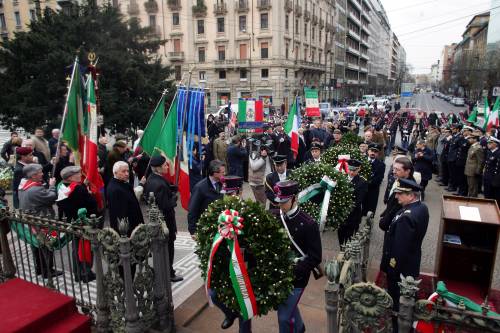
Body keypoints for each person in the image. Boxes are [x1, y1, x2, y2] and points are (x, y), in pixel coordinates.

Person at [271, 180, 322, 333]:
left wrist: (292, 270)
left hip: (297, 277)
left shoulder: (308, 223)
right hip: (277, 274)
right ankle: (299, 328)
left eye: (284, 202)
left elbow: (315, 257)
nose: (280, 205)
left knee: (284, 318)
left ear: (295, 199)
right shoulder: (275, 216)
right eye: (279, 201)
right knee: (288, 309)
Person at [207, 175, 252, 332]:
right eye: (226, 194)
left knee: (243, 306)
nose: (228, 198)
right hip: (225, 264)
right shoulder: (218, 212)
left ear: (239, 192)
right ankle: (229, 313)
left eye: (231, 194)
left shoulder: (250, 212)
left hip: (243, 266)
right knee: (213, 293)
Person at [380, 179, 429, 322]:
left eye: (400, 194)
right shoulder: (421, 207)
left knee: (397, 301)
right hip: (412, 260)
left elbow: (399, 249)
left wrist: (392, 269)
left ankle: (397, 324)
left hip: (401, 269)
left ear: (411, 196)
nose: (396, 197)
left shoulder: (406, 218)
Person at [143, 156, 183, 282]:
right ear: (158, 168)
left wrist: (170, 189)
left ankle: (164, 270)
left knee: (162, 248)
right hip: (165, 222)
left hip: (157, 221)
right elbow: (164, 205)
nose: (167, 167)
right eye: (165, 165)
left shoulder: (152, 179)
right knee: (168, 247)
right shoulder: (158, 183)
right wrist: (173, 199)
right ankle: (169, 273)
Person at [18, 163, 62, 278]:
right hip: (43, 222)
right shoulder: (34, 190)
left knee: (37, 247)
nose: (42, 174)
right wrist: (52, 186)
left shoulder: (23, 185)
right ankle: (48, 271)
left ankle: (40, 268)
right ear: (33, 175)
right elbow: (51, 197)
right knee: (48, 245)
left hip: (33, 221)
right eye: (40, 172)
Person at [56, 166, 98, 282]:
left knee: (76, 248)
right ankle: (86, 273)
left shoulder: (61, 186)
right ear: (70, 177)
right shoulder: (79, 189)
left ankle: (78, 273)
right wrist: (89, 193)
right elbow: (91, 204)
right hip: (83, 222)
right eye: (78, 174)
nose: (80, 175)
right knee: (85, 248)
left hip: (72, 221)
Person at [187, 160, 225, 238]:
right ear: (215, 173)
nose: (224, 174)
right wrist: (193, 230)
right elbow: (192, 209)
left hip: (219, 226)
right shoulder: (200, 187)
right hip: (205, 227)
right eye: (222, 172)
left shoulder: (221, 183)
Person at [107, 161, 144, 237]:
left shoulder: (121, 183)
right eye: (123, 171)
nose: (127, 174)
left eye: (128, 171)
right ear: (115, 172)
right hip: (128, 232)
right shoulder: (116, 189)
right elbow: (120, 215)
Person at [338, 160, 368, 245]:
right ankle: (341, 249)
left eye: (354, 170)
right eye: (350, 170)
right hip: (341, 214)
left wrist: (346, 206)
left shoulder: (362, 182)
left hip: (353, 214)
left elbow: (359, 200)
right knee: (341, 234)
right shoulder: (341, 178)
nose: (351, 172)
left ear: (359, 169)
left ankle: (346, 254)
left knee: (349, 236)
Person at [363, 144, 386, 216]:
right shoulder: (361, 160)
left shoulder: (381, 165)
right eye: (371, 151)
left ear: (378, 154)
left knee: (369, 211)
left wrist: (365, 182)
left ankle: (368, 224)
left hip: (372, 191)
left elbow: (379, 179)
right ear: (368, 151)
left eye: (375, 151)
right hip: (360, 189)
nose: (373, 153)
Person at [248, 141, 272, 206]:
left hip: (266, 181)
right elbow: (254, 167)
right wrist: (263, 157)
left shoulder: (267, 152)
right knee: (261, 203)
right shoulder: (253, 153)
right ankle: (260, 215)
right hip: (258, 183)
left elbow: (268, 166)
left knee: (263, 202)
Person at [464, 134, 484, 198]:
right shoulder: (472, 146)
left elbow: (480, 161)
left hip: (473, 170)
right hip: (469, 169)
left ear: (475, 139)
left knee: (473, 186)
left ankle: (473, 199)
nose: (469, 139)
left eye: (470, 138)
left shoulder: (478, 148)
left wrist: (478, 171)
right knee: (470, 185)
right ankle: (469, 197)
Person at [483, 136, 500, 205]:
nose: (488, 144)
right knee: (487, 195)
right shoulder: (489, 152)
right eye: (488, 143)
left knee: (494, 198)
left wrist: (496, 180)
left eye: (490, 143)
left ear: (495, 144)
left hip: (495, 179)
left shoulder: (498, 153)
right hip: (487, 177)